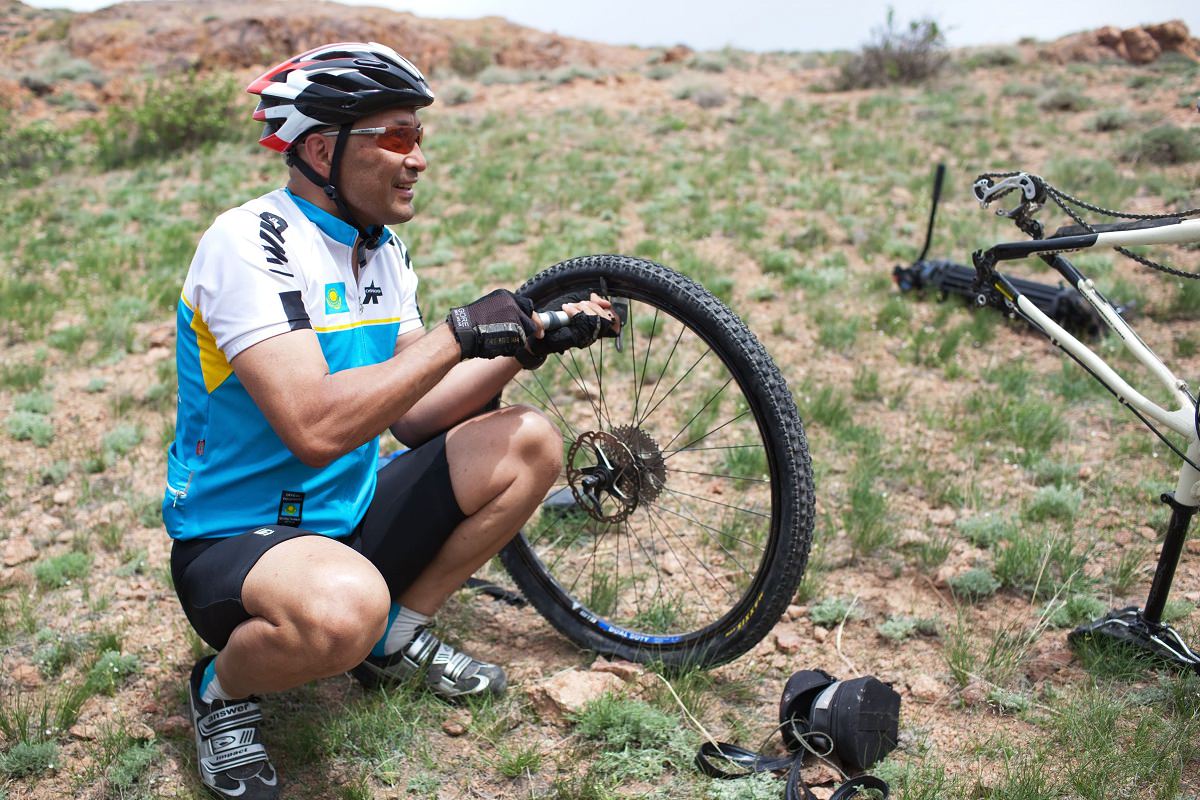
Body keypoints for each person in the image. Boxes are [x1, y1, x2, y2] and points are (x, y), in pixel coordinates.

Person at [162, 41, 618, 799]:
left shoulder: (381, 252)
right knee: (344, 610)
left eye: (421, 138)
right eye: (397, 137)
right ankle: (220, 691)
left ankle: (393, 641)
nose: (418, 161)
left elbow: (416, 415)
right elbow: (315, 431)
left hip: (349, 511)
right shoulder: (249, 245)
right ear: (319, 148)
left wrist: (526, 346)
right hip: (237, 537)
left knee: (529, 441)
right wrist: (456, 334)